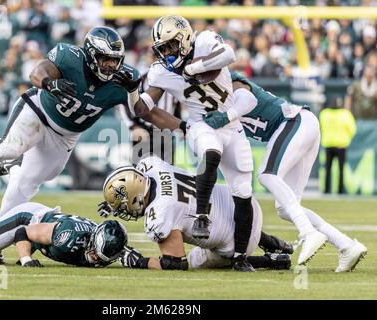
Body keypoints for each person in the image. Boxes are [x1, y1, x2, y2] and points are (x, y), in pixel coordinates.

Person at [0, 26, 145, 219]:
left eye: (115, 60)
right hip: (39, 110)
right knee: (9, 148)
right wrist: (50, 83)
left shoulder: (125, 79)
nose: (111, 65)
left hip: (67, 134)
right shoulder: (69, 57)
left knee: (35, 180)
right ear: (91, 55)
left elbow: (139, 112)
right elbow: (36, 73)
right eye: (105, 59)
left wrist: (133, 90)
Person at [127, 15, 256, 271]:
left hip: (231, 123)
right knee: (211, 150)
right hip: (202, 123)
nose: (167, 52)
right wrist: (131, 90)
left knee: (243, 192)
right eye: (162, 49)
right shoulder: (161, 71)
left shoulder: (205, 41)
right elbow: (143, 110)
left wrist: (193, 69)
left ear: (185, 38)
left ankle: (240, 257)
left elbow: (229, 54)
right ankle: (201, 216)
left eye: (171, 45)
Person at [202, 71, 367, 270]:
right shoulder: (215, 102)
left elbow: (246, 98)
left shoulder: (234, 85)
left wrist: (226, 116)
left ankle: (308, 232)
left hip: (294, 121)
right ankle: (346, 245)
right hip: (301, 126)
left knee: (267, 174)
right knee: (284, 208)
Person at [99, 156, 293, 271]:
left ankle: (268, 261)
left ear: (136, 196)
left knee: (196, 260)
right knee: (218, 215)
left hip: (239, 243)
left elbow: (175, 263)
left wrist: (138, 262)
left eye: (123, 206)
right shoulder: (152, 166)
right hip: (246, 206)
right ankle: (272, 243)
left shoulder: (159, 214)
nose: (123, 211)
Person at [0, 171, 128, 268]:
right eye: (96, 253)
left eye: (100, 257)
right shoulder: (68, 236)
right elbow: (23, 232)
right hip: (24, 218)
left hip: (41, 220)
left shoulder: (111, 245)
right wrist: (26, 260)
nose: (94, 258)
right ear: (94, 240)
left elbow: (137, 258)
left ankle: (16, 169)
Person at [319, 97, 357, 194]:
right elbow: (352, 129)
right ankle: (340, 191)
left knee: (328, 169)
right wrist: (346, 139)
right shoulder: (345, 114)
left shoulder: (324, 114)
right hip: (341, 145)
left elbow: (320, 127)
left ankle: (326, 190)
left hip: (328, 144)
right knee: (341, 170)